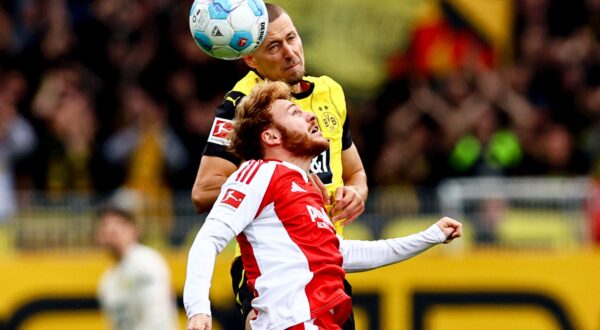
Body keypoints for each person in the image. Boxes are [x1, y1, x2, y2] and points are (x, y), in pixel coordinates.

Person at [183, 81, 462, 330]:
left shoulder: (307, 190)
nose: (311, 114)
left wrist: (430, 236)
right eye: (294, 113)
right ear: (271, 137)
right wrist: (198, 309)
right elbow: (208, 239)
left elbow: (341, 253)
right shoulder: (258, 173)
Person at [190, 4, 368, 328]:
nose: (290, 52)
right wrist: (288, 187)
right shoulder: (242, 105)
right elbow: (204, 192)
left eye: (292, 38)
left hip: (327, 264)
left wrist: (357, 192)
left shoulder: (331, 92)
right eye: (274, 46)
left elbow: (355, 172)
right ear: (250, 59)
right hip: (270, 270)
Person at [95, 205, 179, 330]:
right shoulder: (107, 280)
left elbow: (156, 319)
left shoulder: (146, 261)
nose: (110, 231)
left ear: (134, 230)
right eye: (105, 226)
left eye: (118, 225)